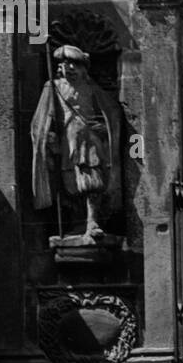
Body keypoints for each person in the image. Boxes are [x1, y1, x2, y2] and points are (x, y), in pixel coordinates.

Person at [31, 44, 122, 239]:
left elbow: (111, 111)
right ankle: (79, 222)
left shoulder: (91, 89)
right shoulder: (53, 87)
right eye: (65, 64)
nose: (69, 68)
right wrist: (49, 135)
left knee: (92, 182)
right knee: (70, 183)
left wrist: (105, 128)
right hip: (68, 144)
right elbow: (43, 118)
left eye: (74, 64)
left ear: (84, 67)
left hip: (90, 142)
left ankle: (92, 221)